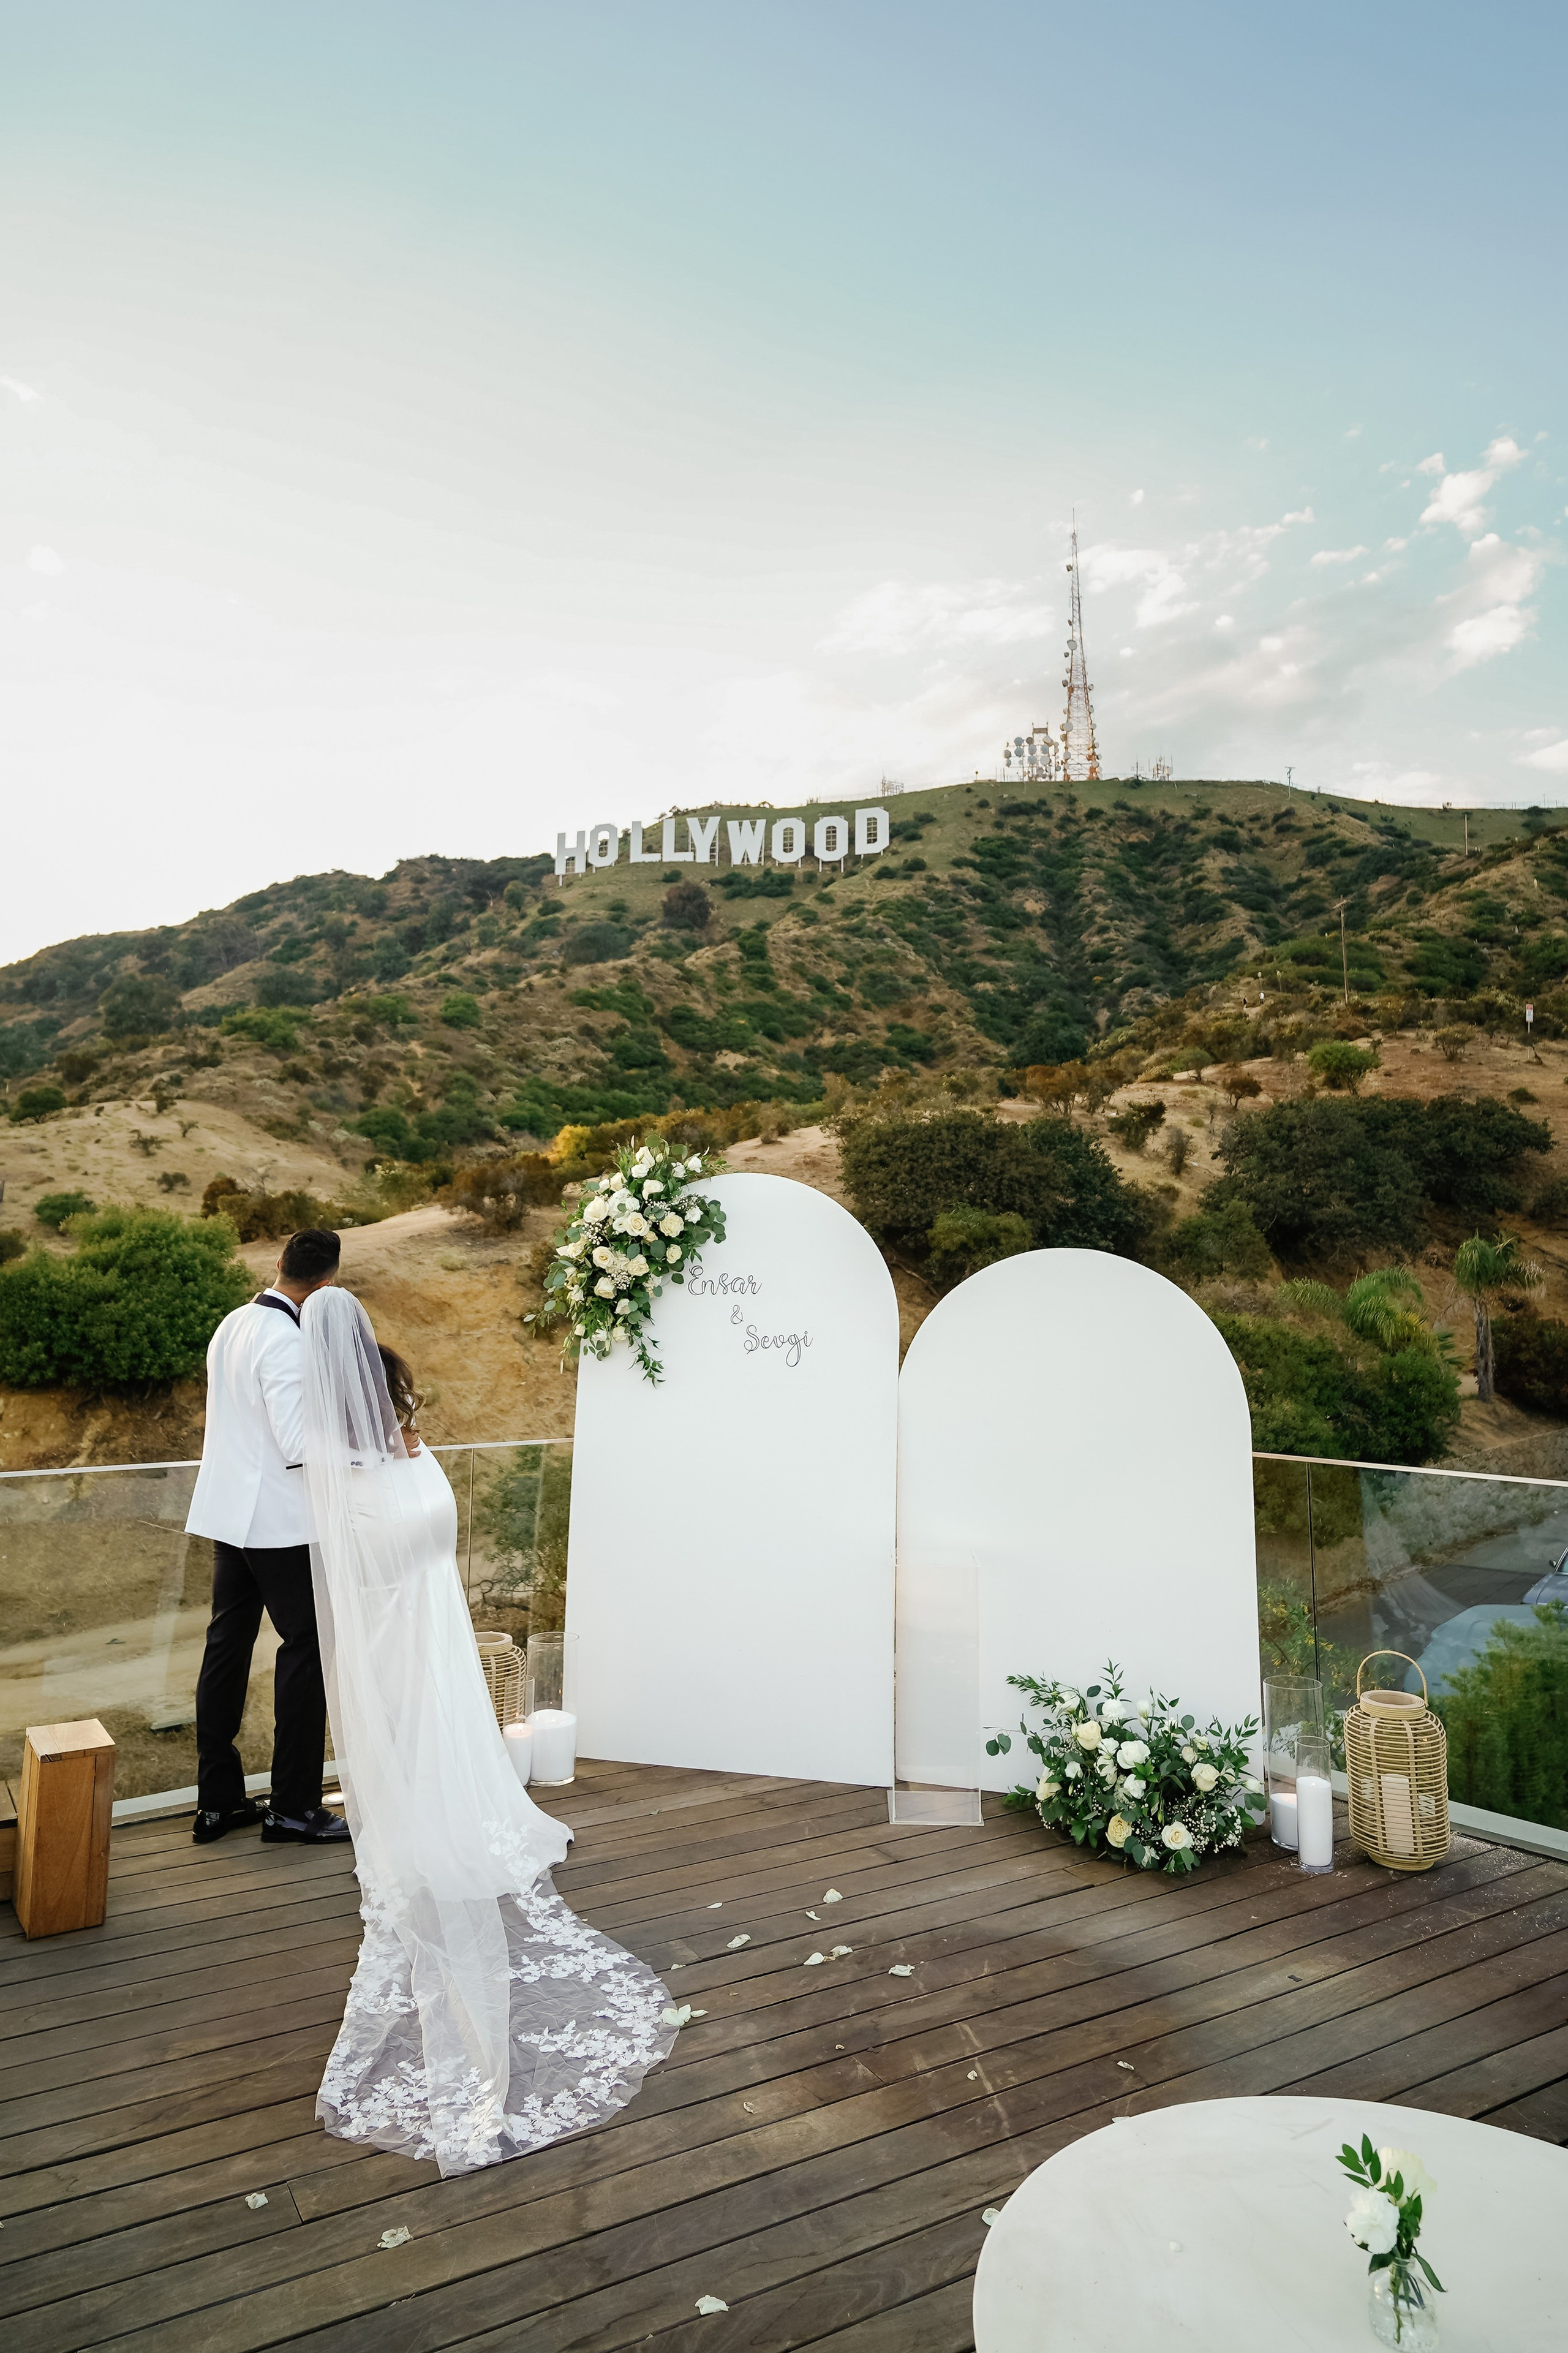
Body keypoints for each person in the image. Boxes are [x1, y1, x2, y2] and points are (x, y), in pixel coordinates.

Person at [300, 1285, 677, 2174]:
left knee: (421, 1754)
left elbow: (347, 1578)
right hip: (421, 1624)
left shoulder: (333, 1455)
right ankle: (441, 1838)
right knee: (434, 1749)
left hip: (407, 1630)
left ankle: (431, 1842)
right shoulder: (399, 1420)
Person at [185, 1228, 352, 1848]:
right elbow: (296, 1442)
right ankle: (293, 1808)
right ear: (328, 1284)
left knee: (225, 1647)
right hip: (278, 1524)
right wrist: (368, 1451)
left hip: (229, 1514)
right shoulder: (286, 1340)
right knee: (306, 1651)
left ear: (280, 1263)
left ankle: (218, 1800)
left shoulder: (232, 1324)